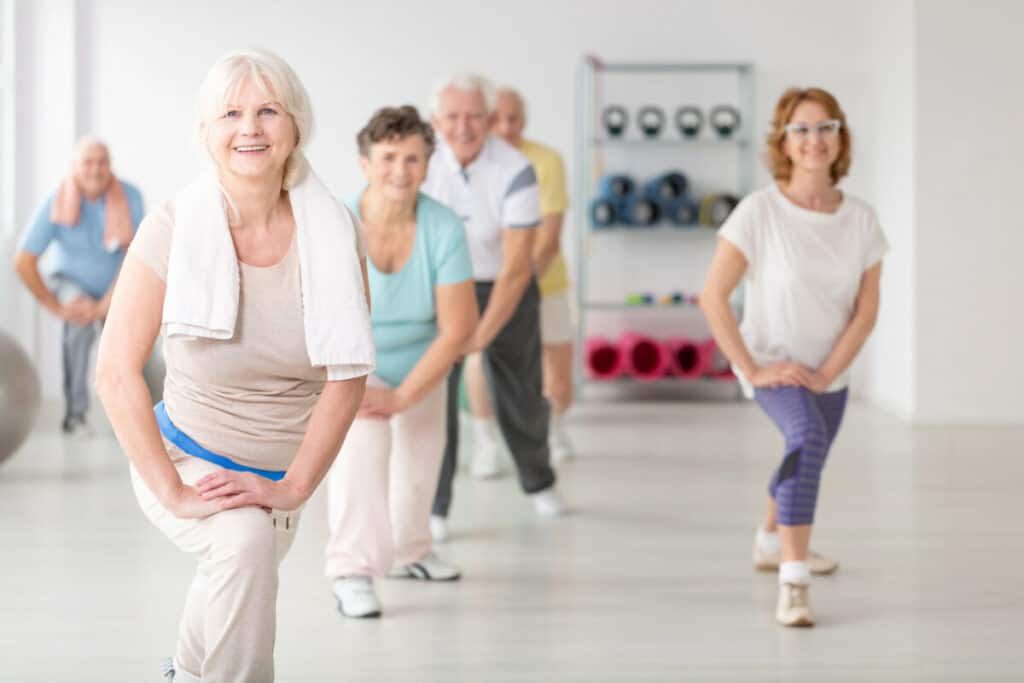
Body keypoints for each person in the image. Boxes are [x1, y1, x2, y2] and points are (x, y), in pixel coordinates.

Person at [95, 49, 373, 681]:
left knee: (237, 570)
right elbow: (114, 373)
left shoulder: (333, 232)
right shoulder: (170, 226)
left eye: (268, 110)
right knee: (243, 542)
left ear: (296, 127)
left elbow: (348, 376)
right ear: (207, 131)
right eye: (232, 112)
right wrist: (173, 489)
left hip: (279, 474)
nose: (250, 127)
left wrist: (295, 486)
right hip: (185, 457)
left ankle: (185, 673)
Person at [700, 87, 887, 627]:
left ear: (840, 136)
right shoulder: (758, 212)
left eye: (826, 127)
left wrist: (828, 373)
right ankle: (794, 581)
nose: (814, 140)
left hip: (831, 372)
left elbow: (866, 310)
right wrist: (753, 368)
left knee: (805, 458)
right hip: (774, 367)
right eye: (801, 129)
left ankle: (767, 540)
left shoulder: (862, 220)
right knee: (804, 442)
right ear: (783, 141)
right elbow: (713, 297)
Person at [324, 105, 477, 618]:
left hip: (423, 363)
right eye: (389, 157)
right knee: (364, 449)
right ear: (365, 163)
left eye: (413, 159)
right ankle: (351, 569)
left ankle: (410, 553)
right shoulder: (335, 221)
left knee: (418, 466)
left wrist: (406, 395)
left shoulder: (443, 226)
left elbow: (459, 328)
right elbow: (316, 315)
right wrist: (359, 386)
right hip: (354, 364)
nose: (401, 170)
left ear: (428, 165)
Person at [424, 73, 565, 542]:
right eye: (453, 116)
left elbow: (517, 265)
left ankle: (539, 480)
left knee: (521, 392)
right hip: (442, 284)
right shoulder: (422, 161)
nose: (463, 126)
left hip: (505, 282)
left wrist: (479, 338)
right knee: (434, 396)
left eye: (473, 116)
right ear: (436, 120)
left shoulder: (515, 168)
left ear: (487, 119)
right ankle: (435, 505)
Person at [460, 85, 574, 474]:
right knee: (480, 359)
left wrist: (520, 289)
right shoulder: (474, 163)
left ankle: (552, 432)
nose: (507, 127)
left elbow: (549, 239)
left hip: (545, 282)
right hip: (491, 284)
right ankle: (487, 443)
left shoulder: (546, 161)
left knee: (556, 377)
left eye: (515, 119)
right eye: (498, 119)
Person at [14, 138, 144, 435]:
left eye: (102, 161)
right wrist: (56, 307)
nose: (96, 169)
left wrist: (105, 305)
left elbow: (136, 257)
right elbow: (23, 261)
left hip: (117, 283)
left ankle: (130, 415)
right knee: (79, 323)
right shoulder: (56, 198)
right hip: (70, 282)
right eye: (88, 161)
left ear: (111, 166)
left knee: (128, 336)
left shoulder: (131, 196)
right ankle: (76, 414)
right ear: (75, 166)